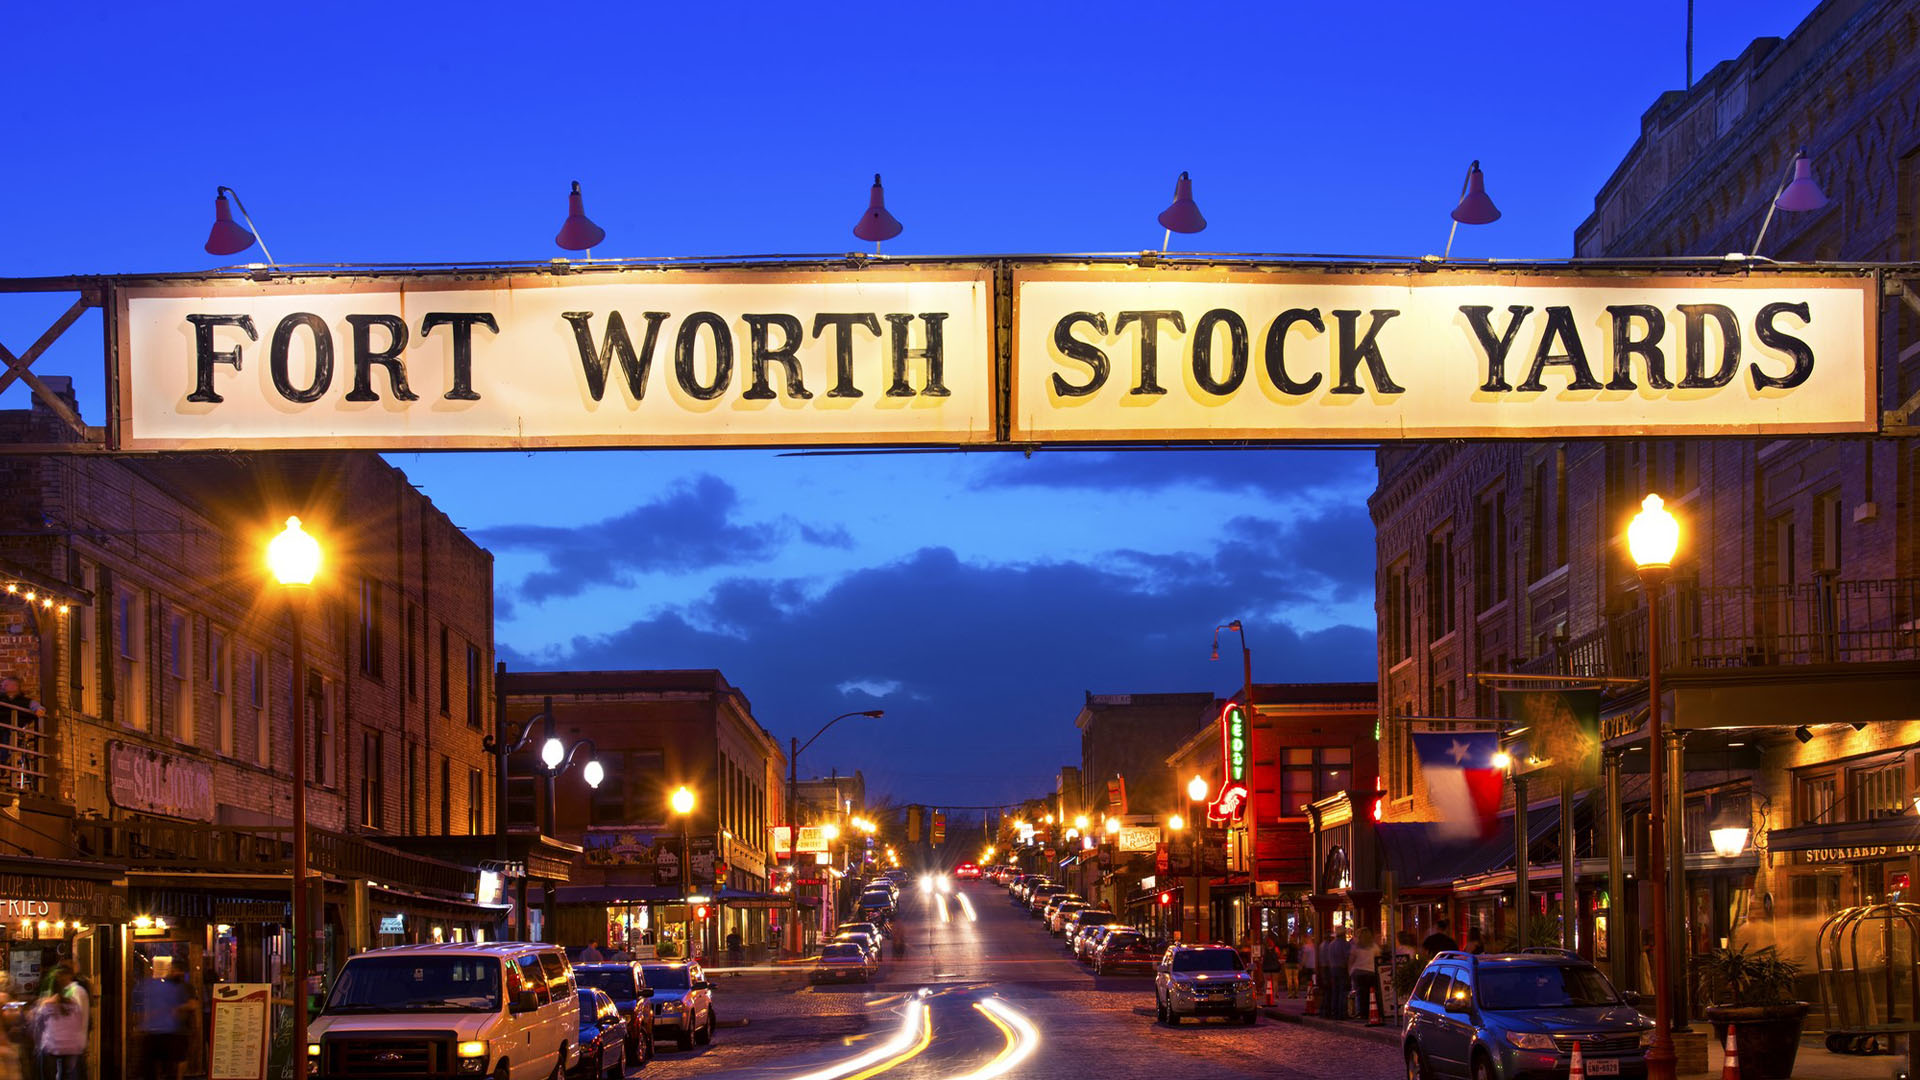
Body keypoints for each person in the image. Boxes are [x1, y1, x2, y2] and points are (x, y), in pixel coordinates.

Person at [134, 964, 190, 1080]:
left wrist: (141, 1025)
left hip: (155, 1032)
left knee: (150, 1068)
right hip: (169, 1032)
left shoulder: (148, 985)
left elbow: (142, 1008)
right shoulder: (176, 988)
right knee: (170, 1068)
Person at [34, 965, 87, 1080]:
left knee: (46, 1071)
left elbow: (38, 1026)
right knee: (67, 1074)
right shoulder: (73, 1004)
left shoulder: (46, 1005)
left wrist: (38, 1044)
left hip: (52, 1046)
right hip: (72, 1047)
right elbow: (79, 1023)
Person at [0, 677, 45, 791]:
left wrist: (39, 710)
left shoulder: (25, 702)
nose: (3, 686)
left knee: (6, 735)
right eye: (3, 685)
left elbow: (37, 707)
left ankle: (2, 763)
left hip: (12, 731)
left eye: (6, 684)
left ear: (16, 687)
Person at [1349, 927, 1383, 1024]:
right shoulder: (1374, 947)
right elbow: (1379, 959)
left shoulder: (1356, 947)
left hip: (1358, 972)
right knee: (1371, 994)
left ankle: (1362, 1012)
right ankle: (1371, 1010)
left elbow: (1351, 960)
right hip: (1370, 972)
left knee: (1360, 993)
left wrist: (1350, 971)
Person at [1323, 929, 1351, 1022]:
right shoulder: (1344, 944)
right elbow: (1348, 957)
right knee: (1342, 991)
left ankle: (1334, 1011)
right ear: (1343, 935)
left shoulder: (1331, 944)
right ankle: (1341, 1013)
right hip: (1342, 968)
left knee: (1335, 991)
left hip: (1333, 969)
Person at [1259, 928, 1283, 1005]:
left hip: (1266, 967)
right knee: (1275, 981)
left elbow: (1261, 958)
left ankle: (1267, 993)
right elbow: (1279, 956)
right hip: (1275, 967)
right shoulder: (1276, 949)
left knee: (1267, 981)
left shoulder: (1264, 949)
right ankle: (1275, 994)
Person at [1283, 933, 1303, 998]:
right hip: (1295, 963)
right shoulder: (1297, 947)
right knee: (1295, 978)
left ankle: (1290, 993)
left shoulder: (1288, 946)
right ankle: (1296, 993)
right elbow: (1299, 955)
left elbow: (1285, 953)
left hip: (1288, 963)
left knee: (1289, 979)